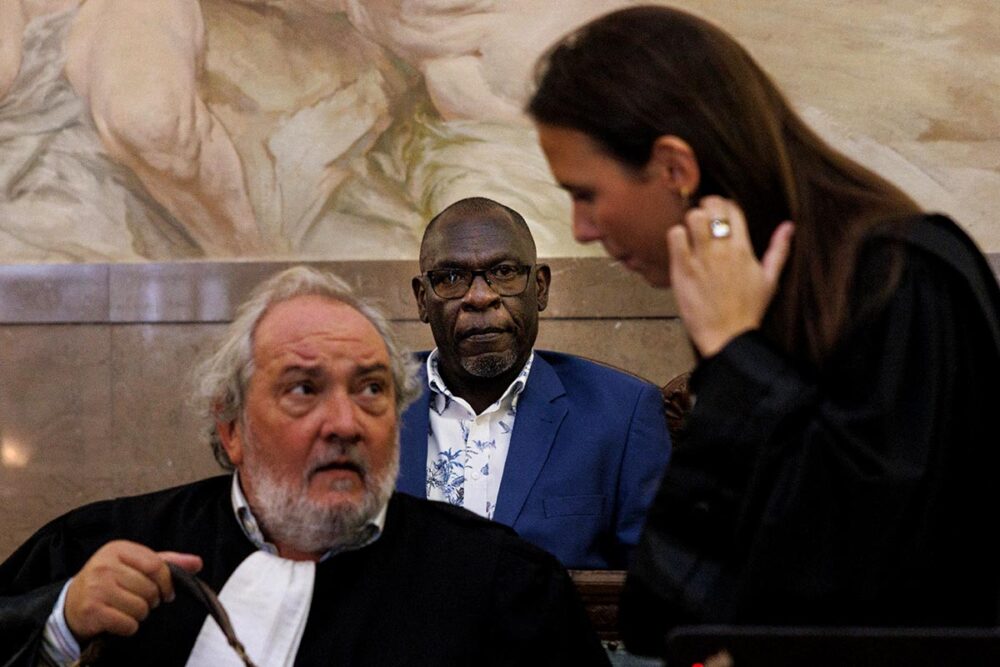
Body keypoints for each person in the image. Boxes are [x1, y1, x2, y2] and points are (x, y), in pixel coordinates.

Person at [528, 4, 1000, 658]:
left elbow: (859, 585)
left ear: (674, 168)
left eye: (584, 192)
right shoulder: (754, 304)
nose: (580, 228)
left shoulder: (906, 280)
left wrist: (735, 360)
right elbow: (662, 610)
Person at [0, 267, 609, 666]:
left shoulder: (502, 583)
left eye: (371, 389)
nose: (344, 423)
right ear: (232, 428)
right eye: (303, 389)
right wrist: (60, 625)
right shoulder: (95, 551)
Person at [399, 196, 671, 570]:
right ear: (421, 299)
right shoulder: (366, 401)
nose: (481, 296)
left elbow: (656, 588)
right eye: (451, 278)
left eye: (505, 271)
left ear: (539, 288)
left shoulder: (621, 415)